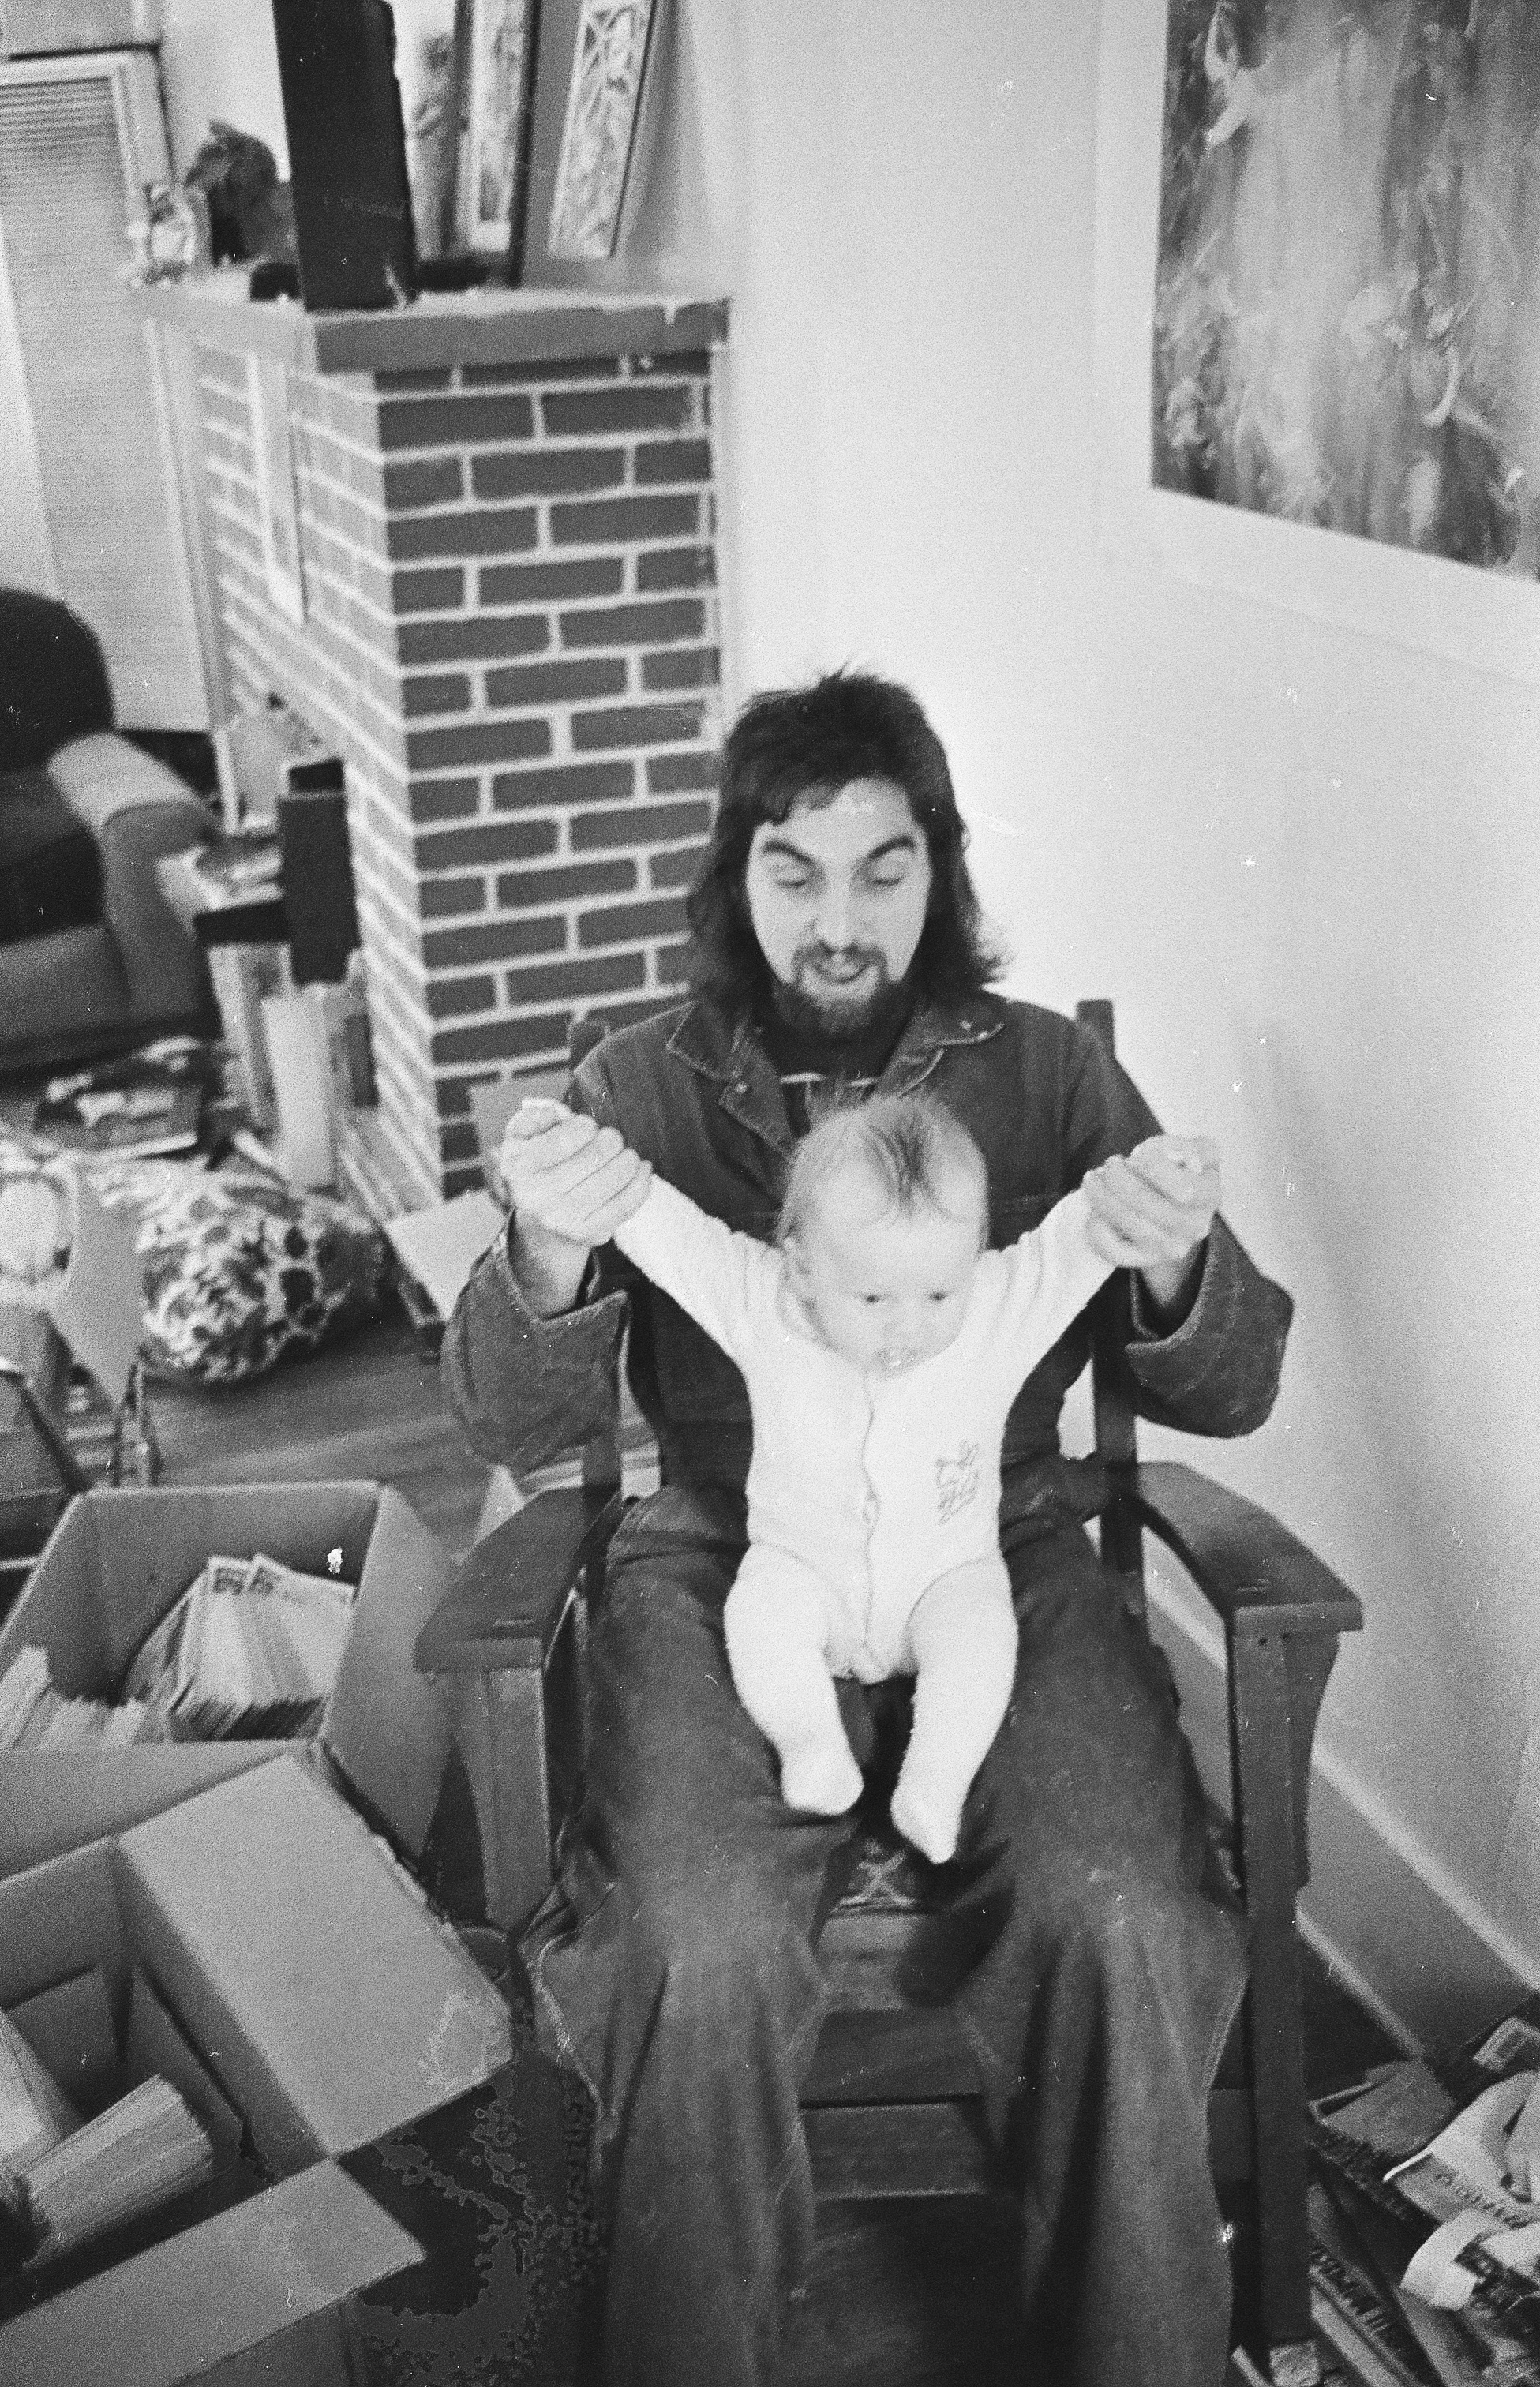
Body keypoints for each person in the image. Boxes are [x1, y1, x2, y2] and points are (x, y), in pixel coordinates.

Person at [443, 667, 1295, 2387]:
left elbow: (1234, 1382)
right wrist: (541, 1255)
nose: (838, 921)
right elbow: (515, 1425)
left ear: (940, 871)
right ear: (732, 880)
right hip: (725, 1548)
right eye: (793, 872)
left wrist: (1178, 1257)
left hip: (1003, 1539)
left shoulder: (1046, 1075)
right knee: (694, 1931)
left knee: (1123, 1905)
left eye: (882, 871)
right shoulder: (635, 1080)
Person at [506, 1088, 1214, 1868]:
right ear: (803, 1265)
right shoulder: (761, 1300)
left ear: (973, 1258)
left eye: (938, 1292)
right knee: (762, 1617)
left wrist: (1155, 1176)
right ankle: (810, 1743)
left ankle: (934, 1785)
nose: (908, 1325)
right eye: (872, 1296)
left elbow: (1082, 1234)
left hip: (947, 1574)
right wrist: (566, 1154)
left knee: (981, 1640)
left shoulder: (994, 1310)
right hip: (802, 1568)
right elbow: (662, 1227)